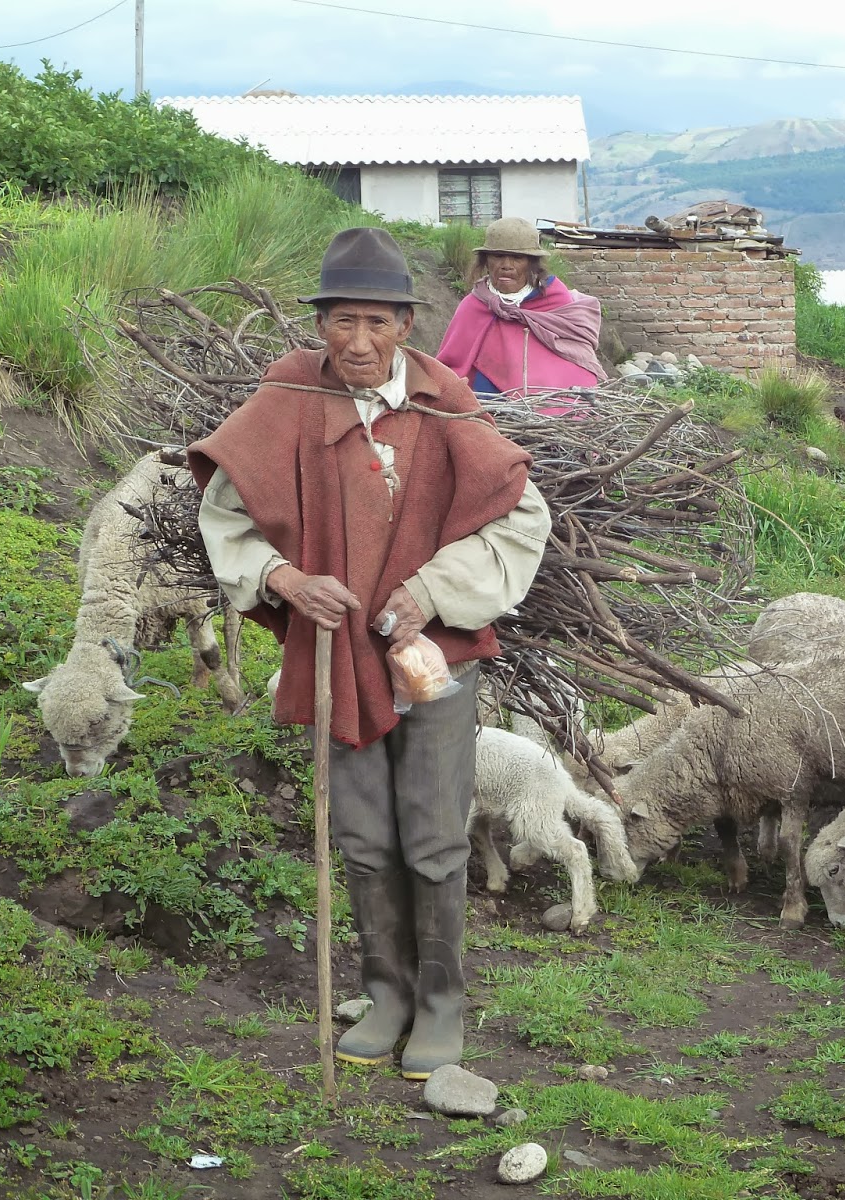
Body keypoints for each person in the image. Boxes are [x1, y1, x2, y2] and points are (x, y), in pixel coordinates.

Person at [187, 227, 551, 1079]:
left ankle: (440, 1002)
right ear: (320, 324)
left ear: (404, 324)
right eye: (341, 321)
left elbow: (519, 517)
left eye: (376, 323)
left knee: (431, 835)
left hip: (431, 658)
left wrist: (431, 592)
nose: (357, 342)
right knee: (361, 834)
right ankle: (384, 992)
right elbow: (226, 517)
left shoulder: (443, 401)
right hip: (332, 655)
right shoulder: (286, 400)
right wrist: (283, 579)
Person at [436, 217, 607, 413]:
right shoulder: (473, 306)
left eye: (517, 258)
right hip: (487, 409)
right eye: (498, 256)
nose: (506, 265)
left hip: (553, 411)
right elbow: (450, 367)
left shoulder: (555, 302)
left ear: (531, 263)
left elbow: (576, 355)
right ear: (486, 260)